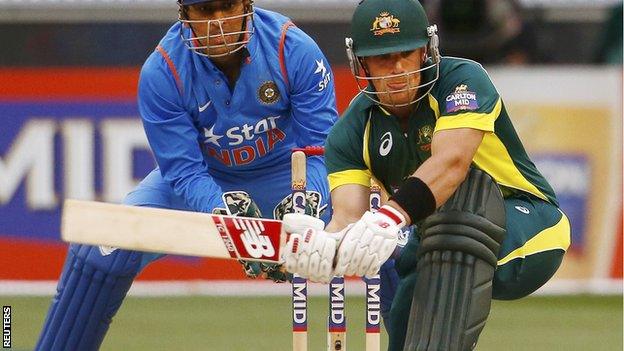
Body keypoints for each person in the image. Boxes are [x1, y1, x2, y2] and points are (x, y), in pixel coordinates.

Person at [36, 1, 337, 349]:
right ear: (184, 13)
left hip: (287, 177)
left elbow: (321, 147)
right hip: (205, 181)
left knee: (384, 238)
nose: (219, 23)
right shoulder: (162, 71)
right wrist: (222, 210)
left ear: (248, 4)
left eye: (228, 7)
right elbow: (183, 170)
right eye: (205, 11)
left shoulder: (292, 48)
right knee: (101, 248)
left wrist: (308, 201)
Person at [281, 0, 571, 350]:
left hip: (530, 226)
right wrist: (322, 249)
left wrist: (390, 219)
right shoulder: (350, 131)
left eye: (407, 54)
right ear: (362, 62)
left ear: (426, 51)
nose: (398, 68)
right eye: (383, 58)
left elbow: (452, 163)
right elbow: (347, 217)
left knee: (449, 220)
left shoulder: (461, 80)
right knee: (403, 268)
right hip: (439, 242)